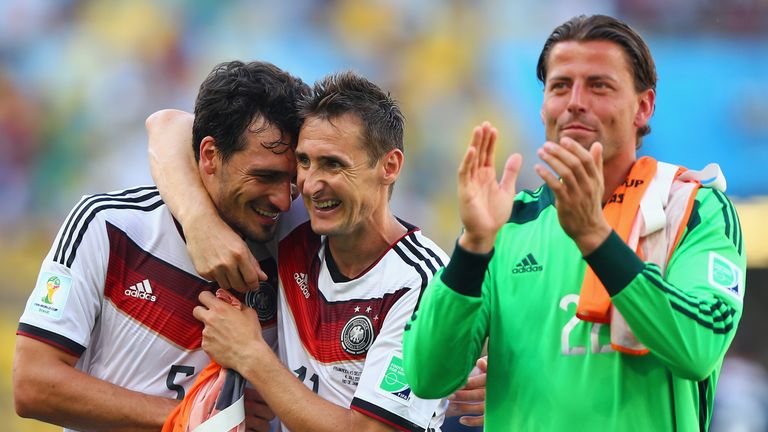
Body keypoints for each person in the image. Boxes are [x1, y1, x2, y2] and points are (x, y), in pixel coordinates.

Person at [402, 14, 746, 431]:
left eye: (599, 85)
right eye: (560, 86)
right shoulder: (506, 224)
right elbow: (426, 377)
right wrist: (473, 245)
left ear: (643, 107)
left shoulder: (692, 209)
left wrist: (595, 237)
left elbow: (697, 348)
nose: (575, 101)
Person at [148, 71, 486, 432]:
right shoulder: (296, 230)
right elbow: (168, 126)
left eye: (333, 164)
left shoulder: (421, 281)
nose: (310, 184)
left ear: (389, 167)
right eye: (304, 162)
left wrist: (251, 356)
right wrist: (201, 223)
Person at [13, 60, 308, 432]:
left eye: (291, 180)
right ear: (210, 156)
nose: (283, 200)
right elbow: (33, 384)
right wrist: (196, 418)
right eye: (264, 176)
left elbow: (169, 123)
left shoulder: (296, 246)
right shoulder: (109, 226)